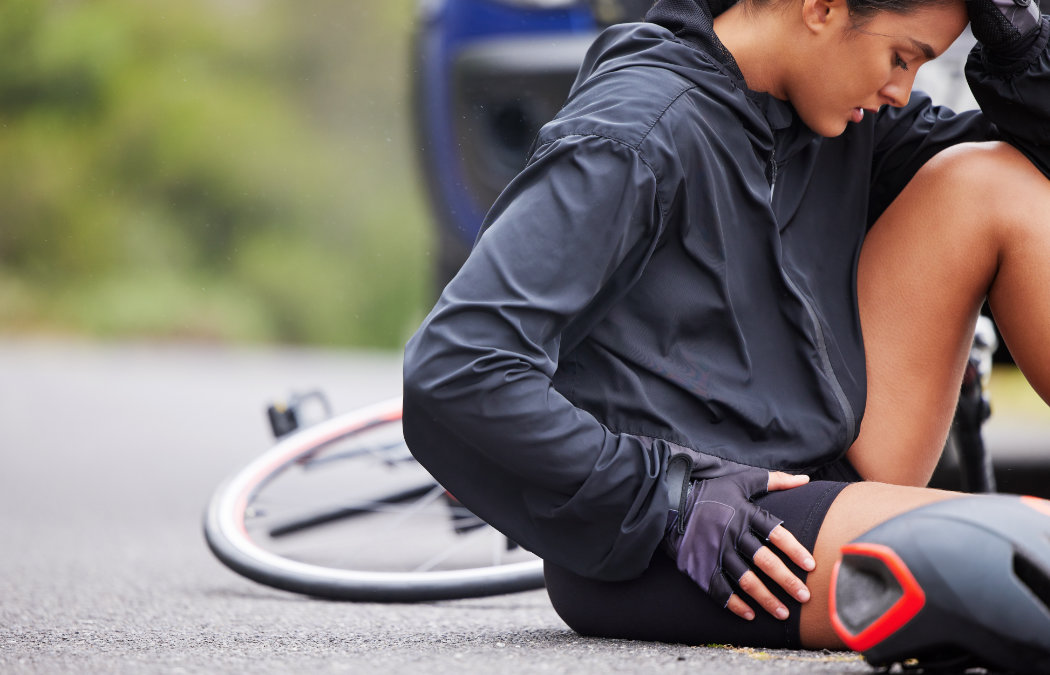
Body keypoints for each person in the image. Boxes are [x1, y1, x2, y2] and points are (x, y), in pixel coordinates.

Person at [402, 0, 1050, 654]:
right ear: (821, 8)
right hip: (696, 538)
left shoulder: (843, 112)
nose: (902, 88)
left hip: (829, 467)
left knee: (995, 180)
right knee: (1031, 554)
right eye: (901, 56)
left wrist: (1024, 53)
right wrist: (669, 497)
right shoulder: (634, 131)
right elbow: (456, 367)